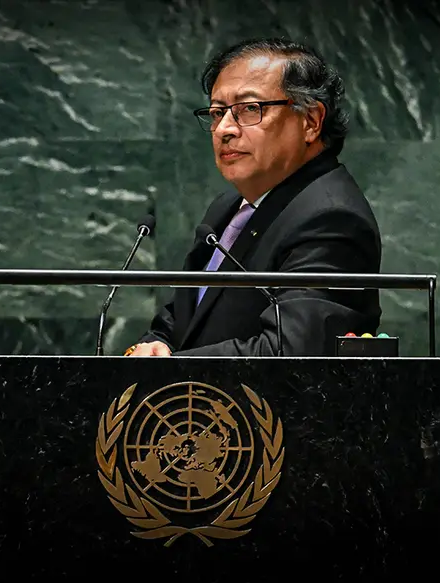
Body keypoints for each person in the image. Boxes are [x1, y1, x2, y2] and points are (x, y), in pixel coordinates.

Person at [126, 37, 382, 357]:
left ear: (311, 121)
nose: (224, 129)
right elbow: (181, 318)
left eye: (249, 108)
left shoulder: (331, 218)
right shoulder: (228, 207)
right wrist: (154, 346)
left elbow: (291, 352)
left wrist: (171, 367)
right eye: (218, 112)